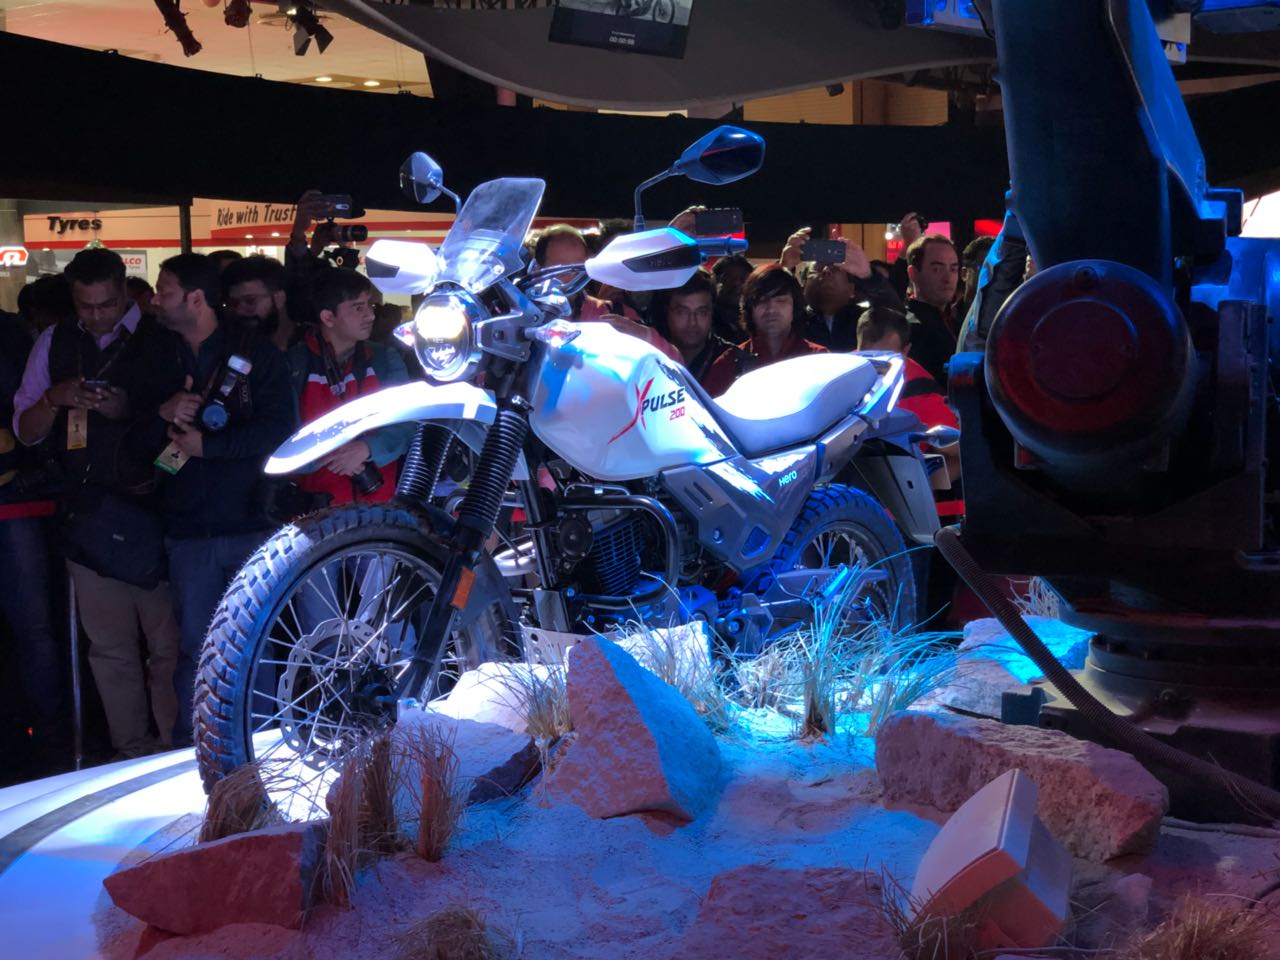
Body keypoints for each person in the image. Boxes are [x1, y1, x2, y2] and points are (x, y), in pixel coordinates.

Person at [12, 248, 184, 759]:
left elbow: (187, 420)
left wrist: (130, 409)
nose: (96, 316)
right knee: (109, 648)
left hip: (158, 508)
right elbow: (25, 431)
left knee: (170, 647)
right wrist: (54, 399)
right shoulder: (55, 340)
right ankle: (131, 752)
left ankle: (174, 749)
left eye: (106, 305)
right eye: (85, 307)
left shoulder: (164, 336)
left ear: (125, 290)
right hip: (87, 512)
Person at [148, 253, 297, 747]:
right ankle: (195, 752)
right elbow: (129, 431)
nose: (155, 299)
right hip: (187, 524)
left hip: (251, 518)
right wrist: (162, 411)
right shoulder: (154, 352)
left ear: (196, 298)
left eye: (164, 290)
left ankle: (264, 748)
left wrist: (210, 447)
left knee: (258, 643)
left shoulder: (254, 350)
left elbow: (281, 428)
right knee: (196, 646)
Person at [285, 269, 414, 505]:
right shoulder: (293, 365)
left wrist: (368, 448)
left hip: (380, 512)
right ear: (328, 317)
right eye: (358, 307)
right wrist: (333, 455)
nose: (371, 315)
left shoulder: (385, 359)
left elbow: (408, 423)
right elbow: (278, 438)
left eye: (369, 305)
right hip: (313, 513)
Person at [701, 263, 826, 397]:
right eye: (762, 301)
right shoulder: (728, 364)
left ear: (794, 306)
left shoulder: (819, 359)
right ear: (749, 308)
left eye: (780, 301)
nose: (771, 309)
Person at [651, 269, 749, 386]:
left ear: (712, 312)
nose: (692, 322)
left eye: (702, 312)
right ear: (667, 311)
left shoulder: (736, 362)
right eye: (682, 312)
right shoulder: (649, 356)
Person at [902, 234, 961, 385]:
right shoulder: (907, 327)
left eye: (953, 269)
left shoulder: (957, 322)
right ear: (913, 273)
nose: (948, 278)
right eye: (936, 269)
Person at [221, 254, 295, 351]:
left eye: (250, 301)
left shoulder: (309, 348)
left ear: (279, 298)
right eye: (232, 303)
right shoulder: (226, 347)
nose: (239, 310)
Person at [710, 253, 752, 344]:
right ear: (716, 281)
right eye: (729, 279)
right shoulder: (708, 318)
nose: (736, 284)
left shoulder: (755, 316)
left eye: (743, 279)